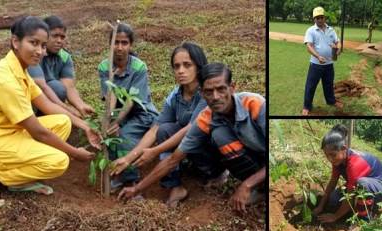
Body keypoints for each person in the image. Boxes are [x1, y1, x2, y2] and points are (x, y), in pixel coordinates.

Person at [116, 62, 266, 214]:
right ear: (202, 93)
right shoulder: (206, 117)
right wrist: (137, 188)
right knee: (220, 135)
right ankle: (260, 186)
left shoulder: (255, 104)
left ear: (232, 87)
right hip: (252, 166)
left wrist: (246, 186)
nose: (215, 97)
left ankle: (258, 183)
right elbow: (172, 160)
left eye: (221, 89)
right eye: (209, 91)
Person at [110, 42, 229, 207]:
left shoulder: (207, 93)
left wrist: (154, 151)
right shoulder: (175, 96)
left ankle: (216, 174)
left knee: (200, 134)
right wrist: (128, 158)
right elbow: (156, 129)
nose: (180, 70)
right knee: (165, 130)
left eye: (187, 65)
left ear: (198, 66)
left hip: (212, 152)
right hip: (190, 150)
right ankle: (175, 186)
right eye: (176, 66)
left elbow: (192, 129)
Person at [0, 16, 102, 195]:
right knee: (59, 161)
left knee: (62, 121)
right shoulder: (6, 79)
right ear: (16, 41)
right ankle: (7, 177)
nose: (40, 51)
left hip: (10, 132)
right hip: (3, 139)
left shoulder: (19, 71)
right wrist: (74, 153)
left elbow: (47, 105)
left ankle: (23, 167)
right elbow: (38, 132)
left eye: (43, 45)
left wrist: (86, 126)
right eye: (34, 43)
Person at [98, 23, 158, 199]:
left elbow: (131, 100)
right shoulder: (104, 67)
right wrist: (109, 120)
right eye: (115, 42)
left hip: (141, 113)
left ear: (130, 45)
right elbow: (112, 96)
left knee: (124, 137)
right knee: (108, 135)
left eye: (124, 43)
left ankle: (131, 181)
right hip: (119, 112)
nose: (119, 47)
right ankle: (116, 175)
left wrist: (117, 123)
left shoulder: (139, 67)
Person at [311, 124, 382, 231]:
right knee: (334, 198)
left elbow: (350, 197)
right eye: (327, 155)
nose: (330, 159)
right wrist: (321, 206)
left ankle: (364, 221)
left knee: (361, 183)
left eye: (332, 154)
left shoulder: (355, 164)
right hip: (366, 184)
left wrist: (334, 217)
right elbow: (332, 183)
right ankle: (359, 208)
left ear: (344, 149)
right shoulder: (338, 162)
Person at [27, 15, 94, 117]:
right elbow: (41, 86)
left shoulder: (64, 57)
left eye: (62, 37)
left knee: (57, 87)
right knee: (54, 87)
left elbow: (69, 86)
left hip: (48, 99)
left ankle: (47, 118)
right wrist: (67, 110)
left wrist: (81, 106)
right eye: (55, 36)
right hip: (26, 99)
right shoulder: (34, 53)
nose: (59, 40)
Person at [301, 7, 343, 116]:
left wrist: (339, 47)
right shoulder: (311, 30)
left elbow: (337, 41)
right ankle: (307, 106)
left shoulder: (331, 30)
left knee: (328, 84)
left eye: (322, 17)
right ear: (314, 19)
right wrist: (318, 56)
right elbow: (309, 46)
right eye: (317, 18)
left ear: (325, 18)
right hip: (316, 64)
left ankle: (331, 101)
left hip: (329, 64)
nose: (320, 20)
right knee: (311, 86)